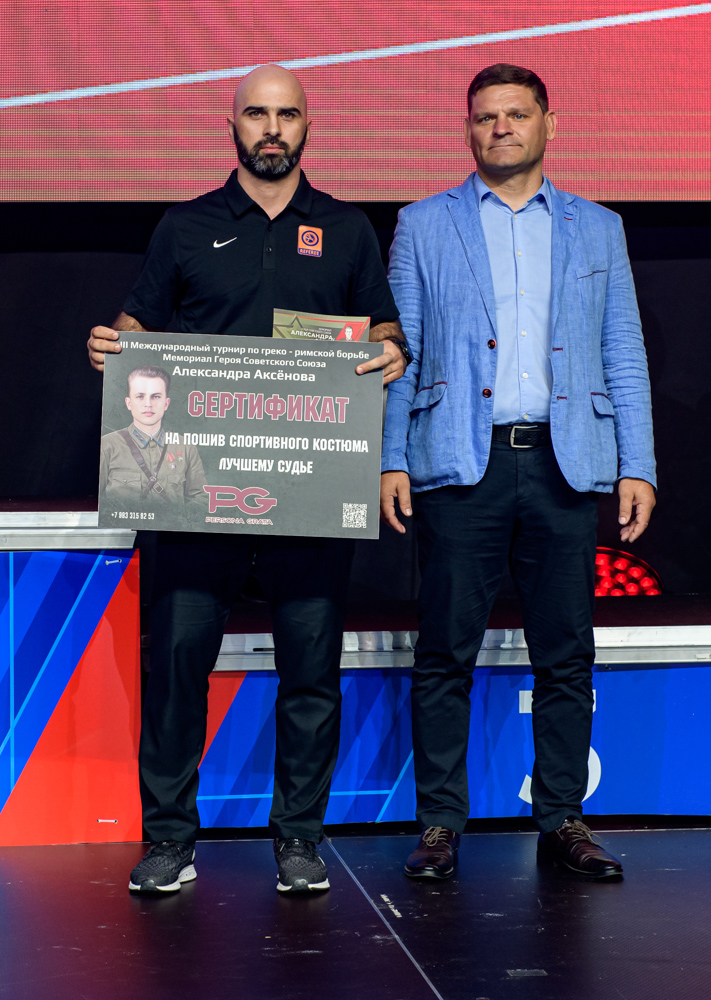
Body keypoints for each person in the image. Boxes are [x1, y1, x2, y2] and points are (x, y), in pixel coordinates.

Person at [88, 65, 406, 894]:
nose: (272, 128)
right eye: (257, 114)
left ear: (307, 126)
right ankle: (169, 841)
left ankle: (299, 840)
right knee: (175, 672)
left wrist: (391, 351)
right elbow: (136, 322)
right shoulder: (186, 225)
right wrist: (109, 345)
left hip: (309, 488)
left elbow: (383, 328)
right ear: (231, 126)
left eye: (286, 114)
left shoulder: (346, 228)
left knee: (311, 674)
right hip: (193, 495)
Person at [380, 64, 656, 880]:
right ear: (467, 129)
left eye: (515, 114)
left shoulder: (596, 227)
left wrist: (636, 463)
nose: (499, 128)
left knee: (565, 652)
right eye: (484, 117)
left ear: (547, 125)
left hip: (564, 462)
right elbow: (400, 352)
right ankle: (439, 825)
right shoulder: (422, 224)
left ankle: (562, 818)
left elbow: (622, 349)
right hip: (457, 462)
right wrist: (391, 455)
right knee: (444, 652)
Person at [100, 366, 206, 525]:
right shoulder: (108, 445)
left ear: (166, 403)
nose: (148, 404)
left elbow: (201, 498)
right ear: (128, 403)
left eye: (156, 397)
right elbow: (95, 501)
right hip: (124, 534)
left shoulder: (185, 447)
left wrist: (179, 522)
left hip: (170, 536)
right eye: (140, 396)